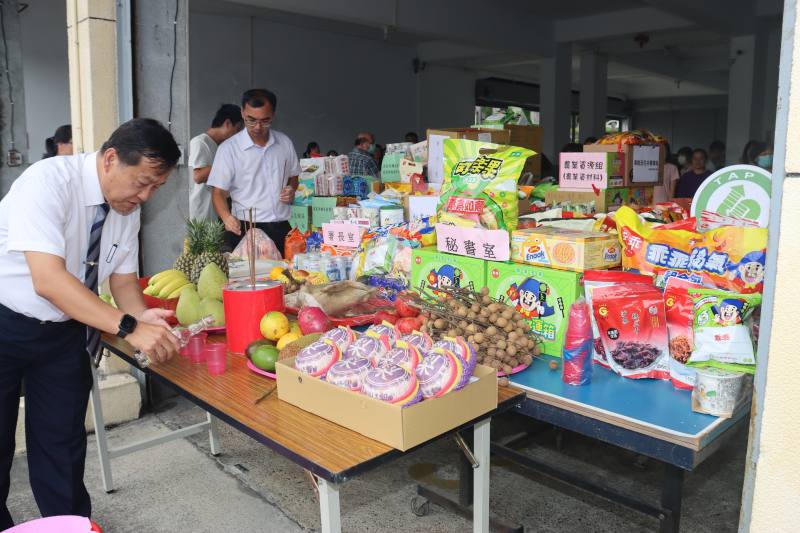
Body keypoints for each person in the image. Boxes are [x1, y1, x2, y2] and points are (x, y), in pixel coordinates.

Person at [0, 119, 182, 530]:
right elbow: (48, 280)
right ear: (111, 159)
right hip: (5, 323)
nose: (146, 196)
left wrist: (141, 315)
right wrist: (128, 325)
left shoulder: (125, 206)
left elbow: (120, 278)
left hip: (65, 331)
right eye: (142, 183)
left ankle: (70, 525)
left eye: (156, 187)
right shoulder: (46, 183)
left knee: (61, 445)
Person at [208, 89, 300, 256]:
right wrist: (227, 218)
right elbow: (218, 193)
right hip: (245, 228)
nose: (257, 127)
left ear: (273, 115)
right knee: (250, 280)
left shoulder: (284, 143)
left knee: (286, 277)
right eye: (251, 120)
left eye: (265, 121)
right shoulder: (229, 149)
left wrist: (291, 189)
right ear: (243, 113)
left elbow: (294, 176)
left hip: (280, 226)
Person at [188, 104, 243, 221]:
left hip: (213, 213)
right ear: (227, 123)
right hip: (200, 214)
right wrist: (226, 164)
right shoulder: (200, 142)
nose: (237, 135)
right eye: (237, 129)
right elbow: (197, 176)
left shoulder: (219, 146)